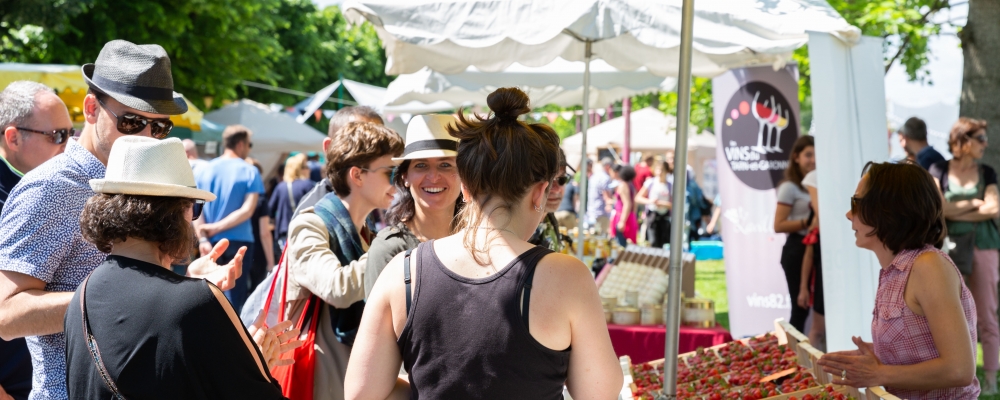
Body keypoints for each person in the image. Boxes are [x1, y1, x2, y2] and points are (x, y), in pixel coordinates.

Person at [0, 40, 240, 400]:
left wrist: (182, 285)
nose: (146, 137)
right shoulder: (50, 188)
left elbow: (141, 296)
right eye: (132, 121)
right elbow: (6, 314)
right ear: (91, 108)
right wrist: (122, 299)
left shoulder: (145, 181)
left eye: (159, 128)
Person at [345, 87, 622, 399]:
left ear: (465, 188)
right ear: (538, 193)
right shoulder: (567, 276)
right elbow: (600, 392)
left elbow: (359, 393)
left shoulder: (402, 271)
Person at [64, 136, 300, 399]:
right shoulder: (195, 300)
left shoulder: (81, 296)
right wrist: (256, 364)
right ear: (177, 212)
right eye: (194, 208)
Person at [817, 162, 980, 399]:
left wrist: (879, 373)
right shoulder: (896, 268)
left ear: (888, 210)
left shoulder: (928, 266)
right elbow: (924, 353)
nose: (848, 214)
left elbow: (959, 370)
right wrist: (875, 359)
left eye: (856, 203)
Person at [282, 121, 403, 399]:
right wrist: (392, 248)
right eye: (390, 172)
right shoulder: (310, 224)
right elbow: (336, 288)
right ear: (357, 175)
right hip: (319, 377)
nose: (398, 182)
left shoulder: (369, 233)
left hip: (352, 374)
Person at [0, 81, 73, 400]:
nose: (68, 145)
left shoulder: (58, 186)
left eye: (72, 134)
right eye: (57, 135)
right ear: (13, 137)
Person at [928, 117, 1000, 394]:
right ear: (963, 141)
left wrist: (953, 208)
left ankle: (991, 378)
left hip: (983, 245)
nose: (986, 143)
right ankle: (955, 373)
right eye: (980, 138)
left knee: (987, 312)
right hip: (948, 247)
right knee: (950, 312)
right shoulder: (938, 168)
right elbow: (938, 209)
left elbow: (993, 209)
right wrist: (974, 204)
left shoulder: (988, 172)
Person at [365, 114, 463, 299]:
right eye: (421, 165)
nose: (433, 177)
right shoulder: (389, 248)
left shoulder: (479, 241)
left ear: (463, 175)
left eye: (445, 165)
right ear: (405, 177)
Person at [194, 125, 265, 312]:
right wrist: (216, 228)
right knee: (234, 302)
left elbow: (193, 208)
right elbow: (247, 210)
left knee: (207, 298)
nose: (249, 148)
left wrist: (203, 236)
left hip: (209, 243)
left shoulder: (204, 169)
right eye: (249, 144)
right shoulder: (250, 170)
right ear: (240, 144)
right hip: (239, 242)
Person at [295, 105, 384, 215]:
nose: (375, 154)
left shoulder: (360, 199)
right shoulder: (314, 215)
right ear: (329, 147)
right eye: (359, 143)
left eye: (381, 145)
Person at [773, 135, 815, 333]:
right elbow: (778, 225)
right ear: (796, 157)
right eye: (808, 154)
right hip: (796, 250)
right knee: (800, 309)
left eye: (816, 155)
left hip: (814, 249)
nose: (813, 160)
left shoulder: (817, 184)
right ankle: (793, 357)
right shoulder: (789, 187)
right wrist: (807, 223)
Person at [799, 167, 826, 350]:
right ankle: (810, 373)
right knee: (817, 330)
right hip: (822, 277)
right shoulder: (817, 224)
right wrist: (803, 288)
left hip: (827, 276)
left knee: (818, 331)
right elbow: (809, 254)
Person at [529, 148, 575, 252]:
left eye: (562, 179)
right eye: (548, 181)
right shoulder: (521, 230)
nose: (556, 189)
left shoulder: (549, 218)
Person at [268, 153, 313, 248]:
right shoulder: (308, 185)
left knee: (288, 261)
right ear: (300, 169)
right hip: (304, 231)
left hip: (285, 232)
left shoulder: (280, 187)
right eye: (306, 167)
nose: (309, 169)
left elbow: (270, 210)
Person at [246, 158, 276, 293]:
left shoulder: (234, 196)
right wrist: (271, 262)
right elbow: (264, 232)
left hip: (235, 247)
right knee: (255, 291)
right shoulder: (261, 198)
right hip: (257, 251)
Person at [636, 159, 672, 248]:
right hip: (652, 216)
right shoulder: (650, 182)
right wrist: (650, 201)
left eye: (662, 170)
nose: (660, 172)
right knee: (653, 241)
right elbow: (638, 198)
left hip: (664, 217)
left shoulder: (670, 185)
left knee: (663, 242)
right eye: (658, 169)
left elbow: (674, 204)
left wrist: (662, 204)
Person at [611, 164, 638, 247]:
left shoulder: (623, 185)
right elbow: (634, 203)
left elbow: (627, 203)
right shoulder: (631, 185)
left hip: (623, 217)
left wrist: (622, 221)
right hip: (629, 217)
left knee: (621, 246)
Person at [586, 157, 614, 234]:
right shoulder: (605, 178)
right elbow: (606, 194)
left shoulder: (594, 176)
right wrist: (609, 203)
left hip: (592, 210)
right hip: (601, 212)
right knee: (602, 237)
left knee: (592, 236)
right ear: (608, 166)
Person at [554, 160, 581, 230]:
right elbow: (576, 202)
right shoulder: (573, 185)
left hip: (556, 214)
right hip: (568, 214)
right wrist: (577, 215)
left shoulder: (560, 185)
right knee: (574, 236)